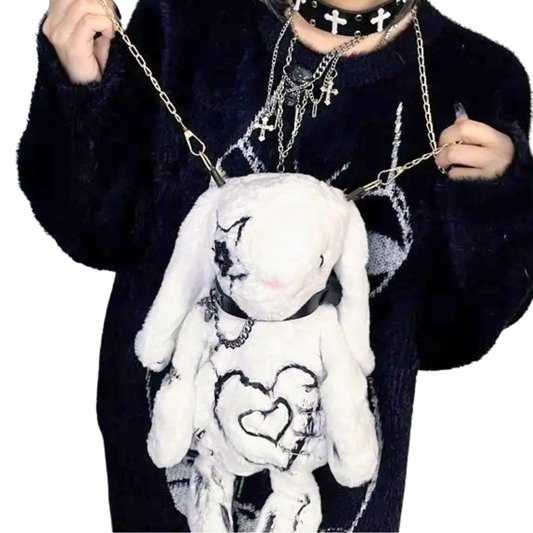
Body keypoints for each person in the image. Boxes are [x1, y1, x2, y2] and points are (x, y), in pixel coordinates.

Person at [16, 0, 533, 531]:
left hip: (336, 500)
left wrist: (495, 204)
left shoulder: (473, 77)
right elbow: (97, 234)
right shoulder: (183, 21)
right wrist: (81, 87)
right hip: (160, 473)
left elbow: (453, 337)